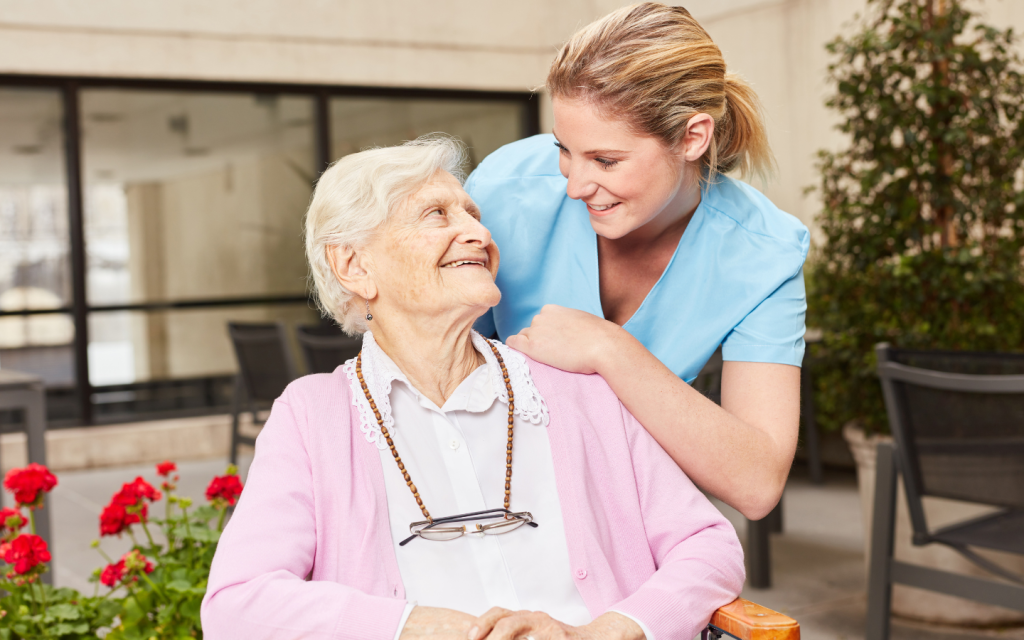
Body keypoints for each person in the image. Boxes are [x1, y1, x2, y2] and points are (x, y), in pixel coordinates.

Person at [201, 137, 744, 640]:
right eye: (437, 214)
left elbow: (708, 545)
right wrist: (416, 627)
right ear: (354, 264)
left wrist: (607, 630)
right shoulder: (312, 416)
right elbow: (236, 603)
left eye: (474, 215)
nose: (479, 234)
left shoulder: (578, 391)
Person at [465, 2, 809, 521]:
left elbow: (757, 482)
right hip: (485, 495)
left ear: (693, 137)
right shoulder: (505, 190)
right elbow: (434, 366)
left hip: (628, 511)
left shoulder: (765, 254)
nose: (575, 186)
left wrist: (609, 349)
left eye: (606, 161)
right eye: (564, 149)